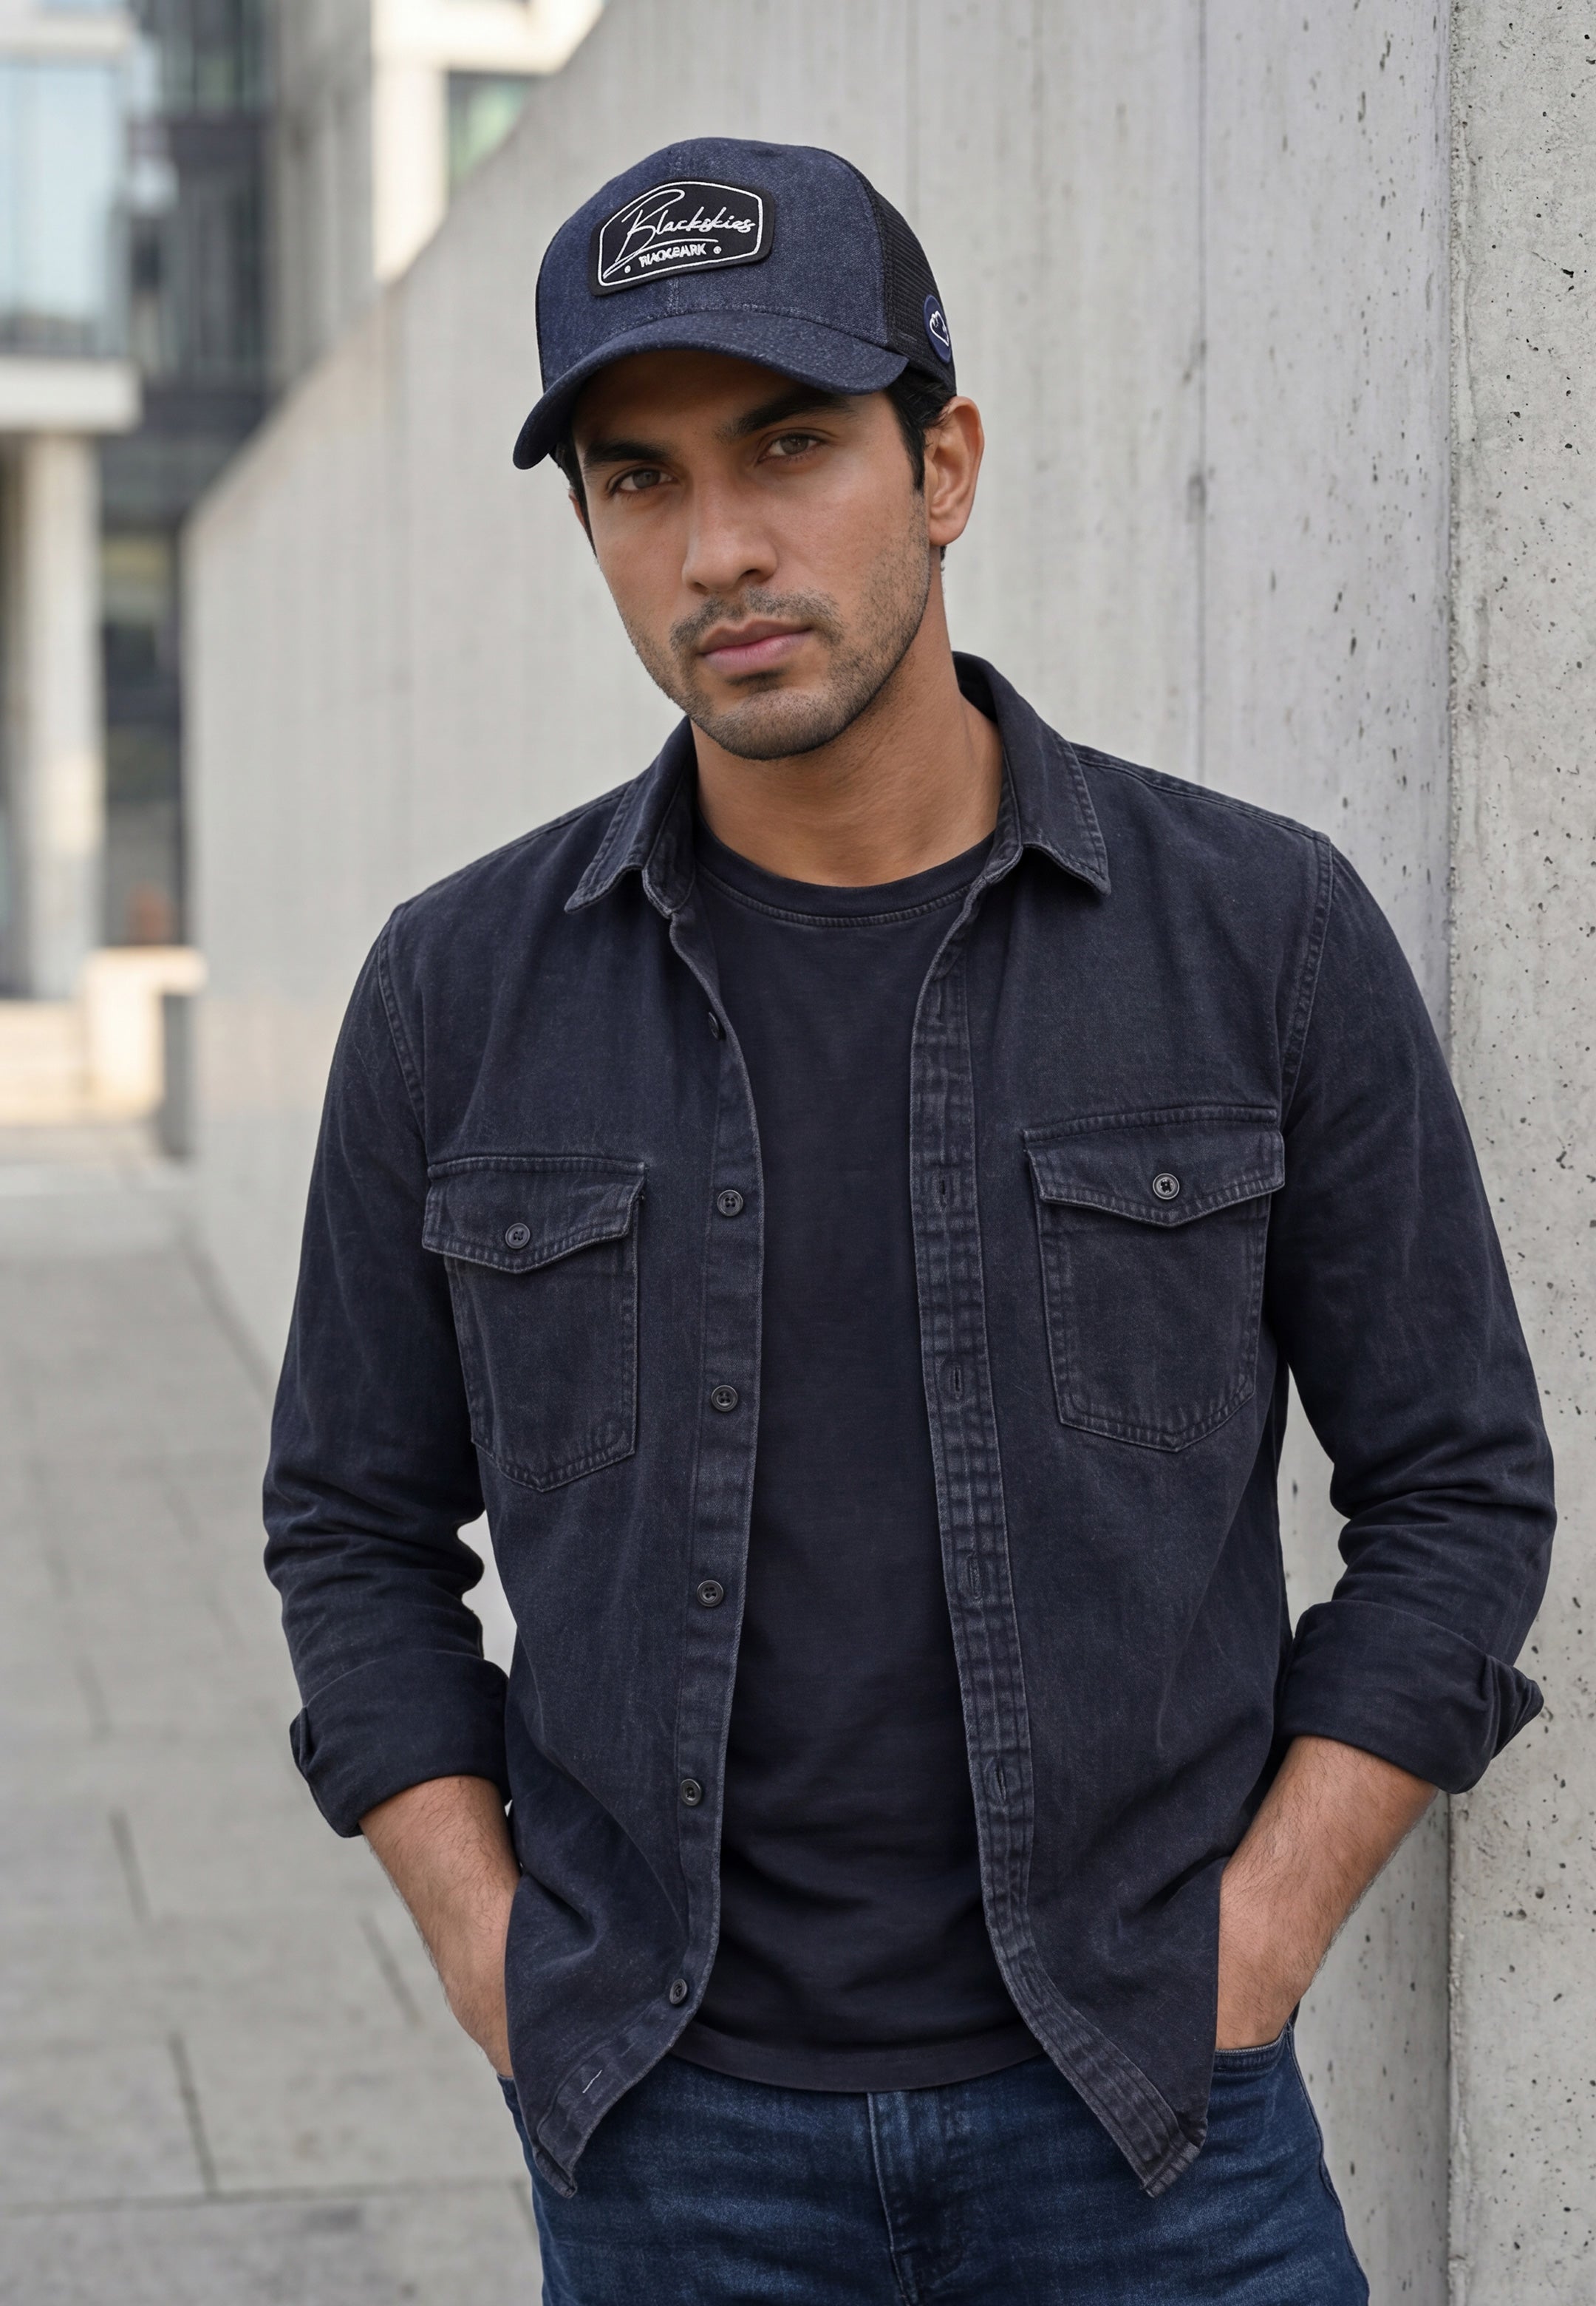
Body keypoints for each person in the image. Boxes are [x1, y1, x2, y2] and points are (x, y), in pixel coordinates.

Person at [265, 138, 1555, 2304]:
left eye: (789, 446)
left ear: (942, 461)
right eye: (637, 479)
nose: (722, 546)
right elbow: (350, 1524)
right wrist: (495, 1954)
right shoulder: (457, 993)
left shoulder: (1257, 939)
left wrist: (1262, 1939)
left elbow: (1459, 1483)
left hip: (1156, 2126)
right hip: (673, 2141)